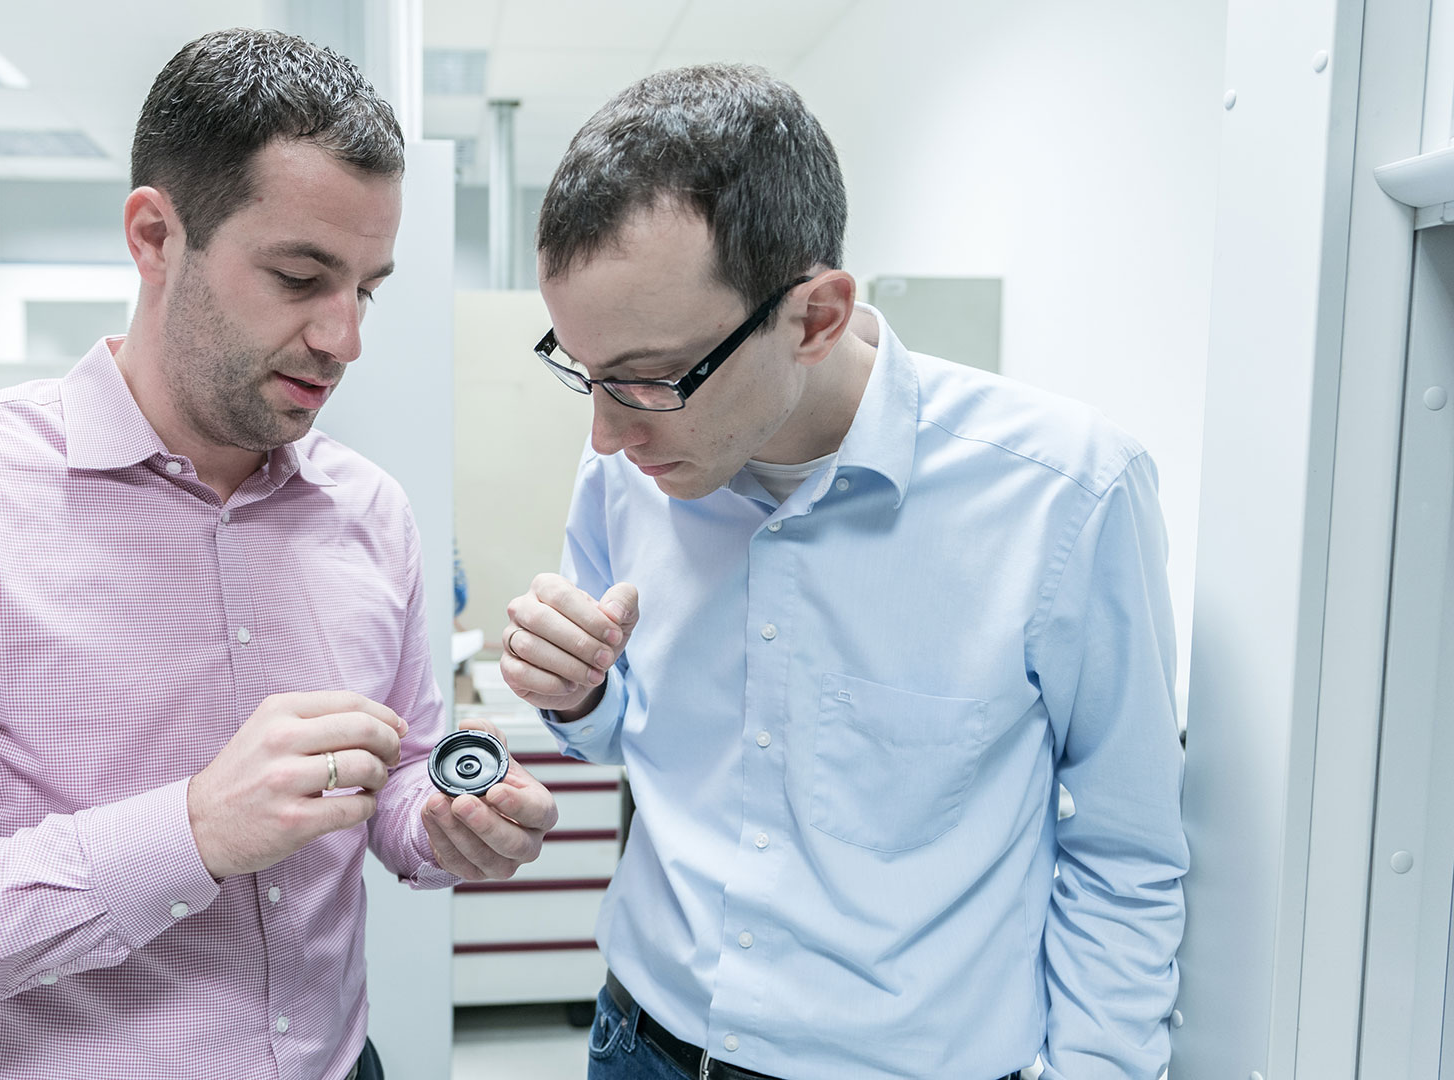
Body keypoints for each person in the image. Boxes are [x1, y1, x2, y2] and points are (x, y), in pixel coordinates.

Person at [0, 29, 555, 1080]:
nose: (345, 337)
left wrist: (444, 823)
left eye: (368, 287)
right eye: (301, 276)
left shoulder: (374, 515)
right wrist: (191, 833)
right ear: (156, 234)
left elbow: (394, 776)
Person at [499, 65, 1187, 1080]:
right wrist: (583, 691)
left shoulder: (1062, 495)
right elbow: (622, 733)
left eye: (647, 379)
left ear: (817, 315)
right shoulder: (633, 461)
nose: (603, 432)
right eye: (586, 372)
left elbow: (1128, 856)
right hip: (641, 1040)